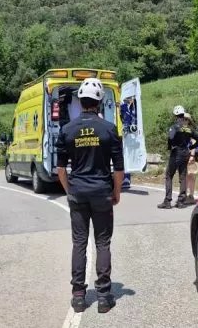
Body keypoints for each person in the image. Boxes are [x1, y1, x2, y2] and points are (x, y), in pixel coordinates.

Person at [56, 77, 124, 314]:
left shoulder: (67, 130)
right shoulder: (109, 129)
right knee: (102, 242)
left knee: (79, 243)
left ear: (80, 101)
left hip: (78, 193)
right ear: (100, 101)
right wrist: (116, 193)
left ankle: (78, 296)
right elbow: (119, 168)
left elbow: (61, 169)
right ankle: (104, 296)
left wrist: (69, 191)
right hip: (102, 192)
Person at [157, 105, 198, 209]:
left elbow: (170, 137)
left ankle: (167, 201)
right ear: (183, 115)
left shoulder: (174, 127)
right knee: (182, 176)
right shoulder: (188, 128)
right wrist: (192, 147)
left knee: (169, 175)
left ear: (175, 116)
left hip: (176, 153)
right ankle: (181, 201)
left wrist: (170, 146)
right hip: (185, 153)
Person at [184, 113, 198, 205]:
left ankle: (190, 195)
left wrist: (192, 156)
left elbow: (194, 143)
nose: (184, 120)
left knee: (191, 176)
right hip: (185, 156)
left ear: (188, 121)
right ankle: (188, 195)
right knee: (188, 176)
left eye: (185, 119)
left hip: (190, 156)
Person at [120, 97, 137, 189]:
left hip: (131, 134)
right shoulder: (123, 107)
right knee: (124, 156)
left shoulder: (134, 108)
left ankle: (126, 178)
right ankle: (125, 178)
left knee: (127, 156)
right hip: (124, 134)